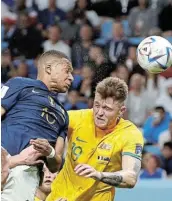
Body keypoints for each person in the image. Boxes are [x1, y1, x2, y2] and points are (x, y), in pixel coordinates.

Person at [47, 77, 144, 201]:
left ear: (121, 111)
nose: (99, 113)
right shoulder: (77, 118)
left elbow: (131, 178)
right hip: (59, 197)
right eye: (97, 105)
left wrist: (98, 175)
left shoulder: (130, 134)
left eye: (107, 108)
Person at [1, 50, 73, 201]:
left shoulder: (63, 115)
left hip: (26, 175)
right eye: (67, 71)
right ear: (49, 68)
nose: (71, 77)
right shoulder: (19, 84)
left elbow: (56, 164)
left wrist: (50, 152)